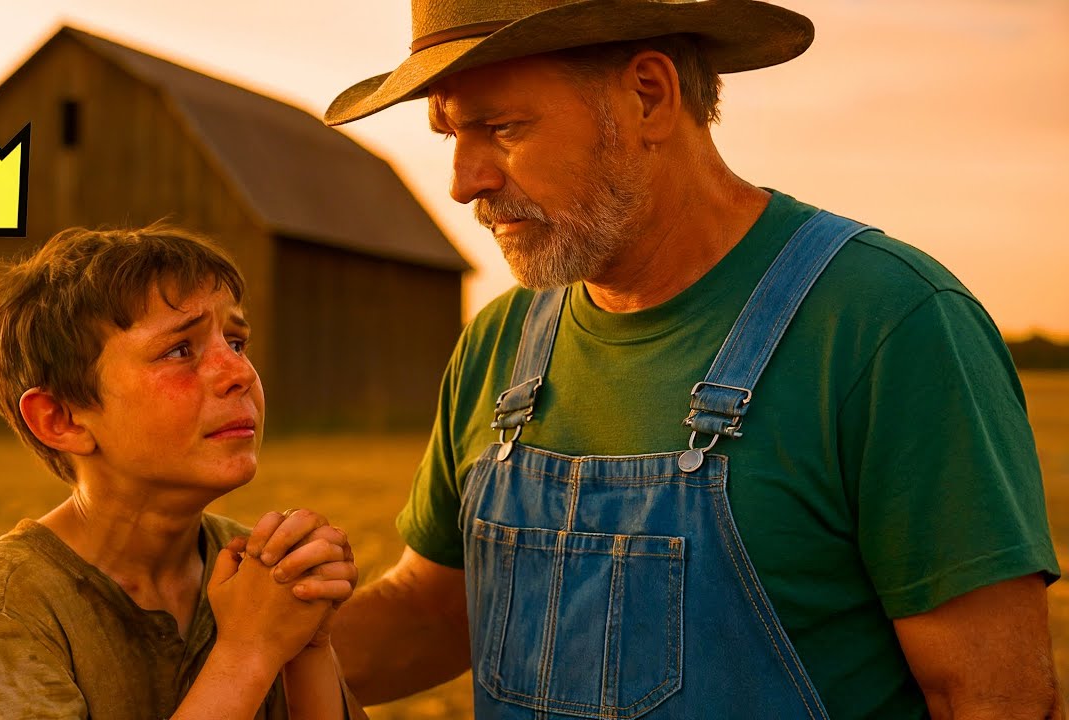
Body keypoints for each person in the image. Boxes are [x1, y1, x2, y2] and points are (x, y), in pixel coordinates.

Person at [319, 1, 1063, 718]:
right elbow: (439, 609)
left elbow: (994, 699)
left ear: (648, 96)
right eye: (451, 134)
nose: (463, 181)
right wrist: (242, 658)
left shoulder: (886, 323)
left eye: (501, 128)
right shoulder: (499, 342)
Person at [0, 223, 366, 719]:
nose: (239, 373)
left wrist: (307, 645)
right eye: (180, 350)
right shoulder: (6, 603)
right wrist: (248, 653)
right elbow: (249, 651)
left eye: (237, 344)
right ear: (62, 419)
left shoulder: (256, 572)